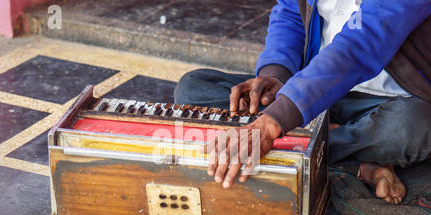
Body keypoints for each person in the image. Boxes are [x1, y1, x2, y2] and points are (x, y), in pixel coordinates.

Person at [173, 0, 431, 204]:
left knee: (414, 128)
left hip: (389, 99)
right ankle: (355, 153)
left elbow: (360, 45)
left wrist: (271, 124)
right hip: (309, 91)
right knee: (193, 88)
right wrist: (274, 75)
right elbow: (290, 13)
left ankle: (297, 140)